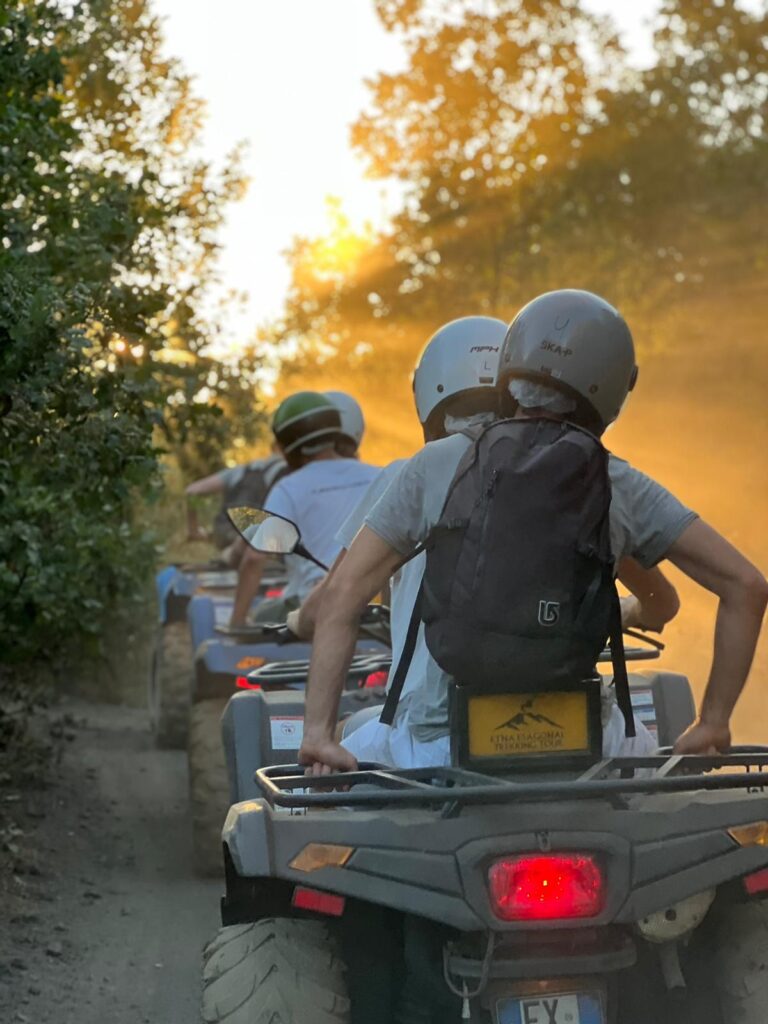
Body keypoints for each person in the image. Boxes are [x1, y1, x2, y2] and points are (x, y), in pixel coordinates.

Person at [297, 290, 768, 775]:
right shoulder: (614, 480)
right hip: (587, 745)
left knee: (352, 777)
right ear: (616, 387)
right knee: (645, 763)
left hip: (435, 747)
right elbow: (746, 586)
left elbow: (342, 595)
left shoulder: (433, 466)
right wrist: (713, 722)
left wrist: (316, 736)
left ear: (510, 367)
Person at [229, 390, 379, 626]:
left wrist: (236, 624)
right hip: (377, 603)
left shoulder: (288, 488)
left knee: (263, 615)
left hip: (312, 604)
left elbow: (254, 559)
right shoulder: (379, 475)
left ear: (287, 446)